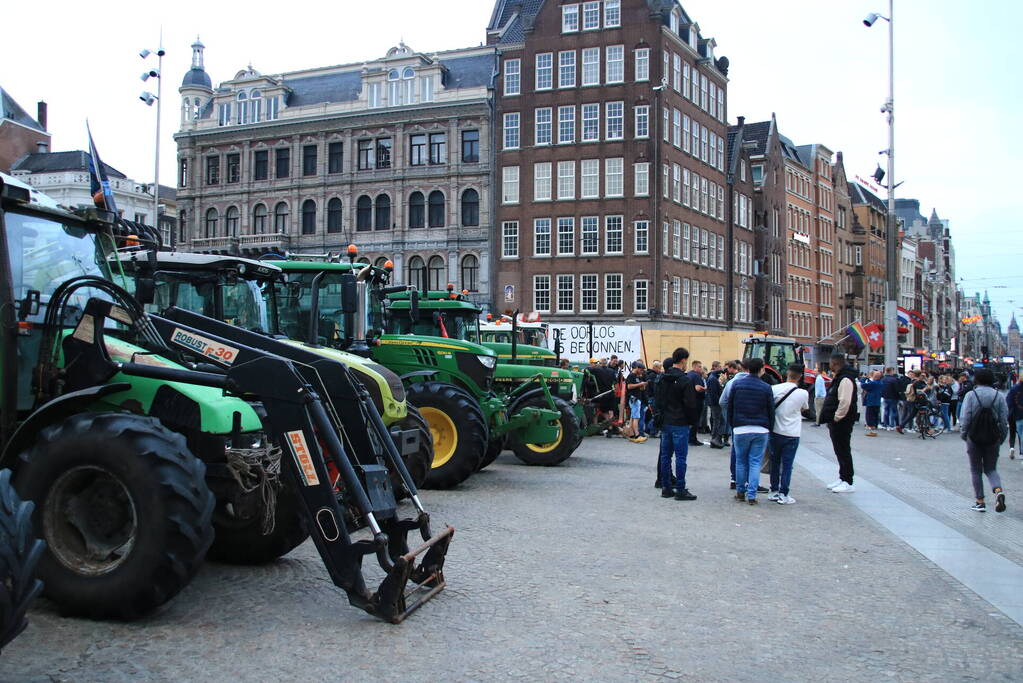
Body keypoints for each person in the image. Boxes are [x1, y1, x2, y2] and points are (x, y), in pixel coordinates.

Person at [959, 368, 1008, 512]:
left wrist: (964, 434)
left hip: (974, 436)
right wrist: (1001, 437)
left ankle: (980, 501)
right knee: (991, 468)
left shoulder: (971, 395)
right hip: (993, 437)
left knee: (976, 470)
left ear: (977, 380)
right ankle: (998, 490)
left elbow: (965, 417)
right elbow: (1003, 419)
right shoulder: (998, 396)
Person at [726, 357, 774, 504]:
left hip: (740, 428)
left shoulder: (737, 384)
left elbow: (730, 406)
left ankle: (740, 492)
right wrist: (769, 427)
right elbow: (771, 410)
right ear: (761, 370)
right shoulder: (766, 387)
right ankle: (752, 494)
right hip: (760, 429)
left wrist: (732, 425)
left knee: (741, 461)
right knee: (755, 462)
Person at [657, 348, 699, 501]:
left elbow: (658, 400)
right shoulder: (685, 380)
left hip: (666, 420)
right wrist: (691, 422)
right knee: (681, 457)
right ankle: (680, 488)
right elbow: (690, 404)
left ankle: (666, 487)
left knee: (665, 456)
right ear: (683, 360)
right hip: (680, 421)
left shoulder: (663, 378)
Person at [768, 364, 810, 505]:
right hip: (792, 433)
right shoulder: (803, 393)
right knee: (787, 465)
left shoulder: (774, 389)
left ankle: (773, 490)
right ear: (800, 376)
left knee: (774, 462)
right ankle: (784, 493)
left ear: (787, 374)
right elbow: (804, 408)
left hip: (775, 431)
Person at [818, 353, 859, 493]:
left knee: (843, 449)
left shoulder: (845, 379)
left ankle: (848, 481)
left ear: (834, 364)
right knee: (839, 450)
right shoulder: (840, 378)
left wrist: (836, 417)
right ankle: (842, 477)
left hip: (842, 422)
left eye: (830, 363)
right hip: (838, 421)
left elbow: (845, 401)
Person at [624, 361, 649, 443]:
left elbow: (636, 387)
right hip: (634, 398)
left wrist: (642, 386)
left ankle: (631, 435)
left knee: (632, 417)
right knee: (636, 417)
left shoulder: (637, 376)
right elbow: (629, 386)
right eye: (641, 370)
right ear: (637, 368)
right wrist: (640, 384)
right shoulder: (631, 375)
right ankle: (637, 435)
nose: (642, 372)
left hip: (636, 398)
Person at [706, 362, 726, 448]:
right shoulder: (713, 378)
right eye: (719, 367)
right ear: (715, 367)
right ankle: (715, 439)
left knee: (718, 421)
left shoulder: (713, 377)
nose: (721, 369)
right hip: (715, 404)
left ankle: (715, 439)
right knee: (718, 421)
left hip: (714, 403)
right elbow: (715, 393)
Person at [687, 361, 707, 446]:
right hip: (697, 401)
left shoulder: (689, 374)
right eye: (699, 367)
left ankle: (689, 437)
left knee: (690, 420)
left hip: (689, 400)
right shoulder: (696, 376)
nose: (701, 368)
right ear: (694, 367)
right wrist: (705, 388)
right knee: (695, 420)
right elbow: (698, 388)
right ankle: (693, 439)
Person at [859, 370, 884, 437]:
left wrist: (863, 379)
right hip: (877, 401)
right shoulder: (881, 383)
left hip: (871, 401)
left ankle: (871, 429)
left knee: (869, 415)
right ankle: (875, 427)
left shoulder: (873, 383)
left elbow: (863, 385)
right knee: (875, 415)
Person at [1007, 375, 1023, 460]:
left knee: (1012, 432)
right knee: (1021, 435)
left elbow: (1009, 402)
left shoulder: (1014, 389)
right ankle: (1021, 451)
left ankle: (1012, 447)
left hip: (1014, 414)